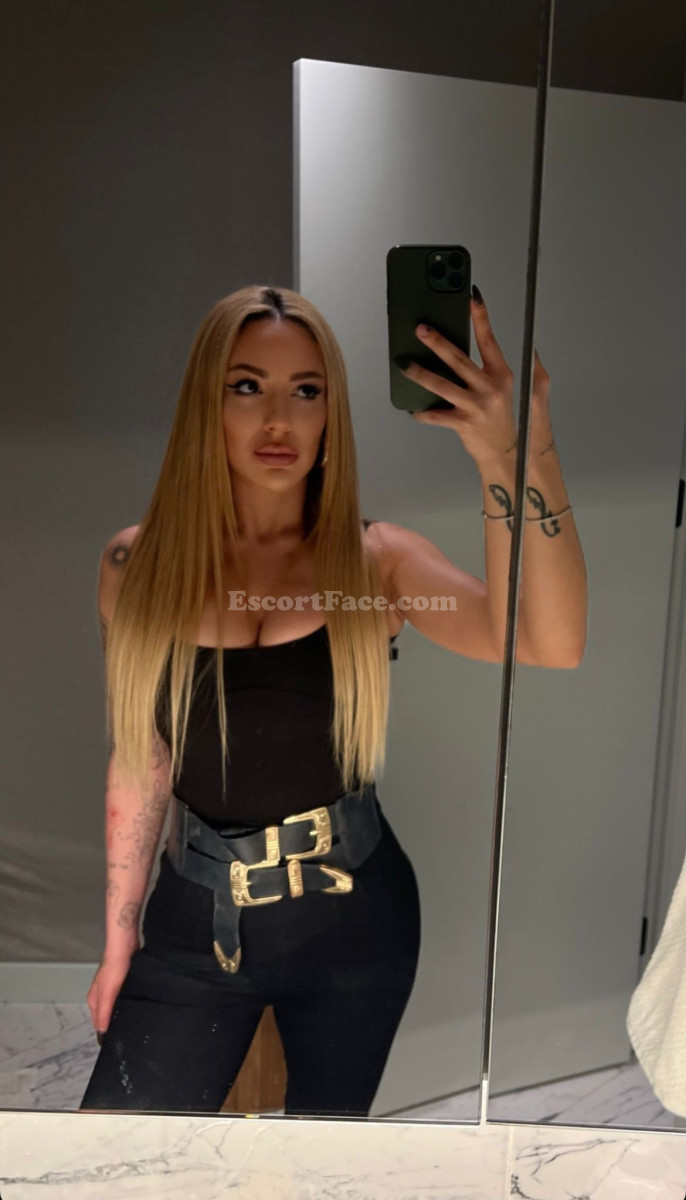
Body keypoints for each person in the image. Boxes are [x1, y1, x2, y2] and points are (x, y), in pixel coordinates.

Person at [79, 283, 587, 1117]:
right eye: (248, 386)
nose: (278, 419)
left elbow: (548, 640)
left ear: (331, 413)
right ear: (207, 403)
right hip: (195, 924)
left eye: (306, 391)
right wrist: (118, 940)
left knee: (326, 1158)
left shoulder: (373, 566)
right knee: (119, 1156)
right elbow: (142, 759)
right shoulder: (136, 568)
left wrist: (519, 454)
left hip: (355, 923)